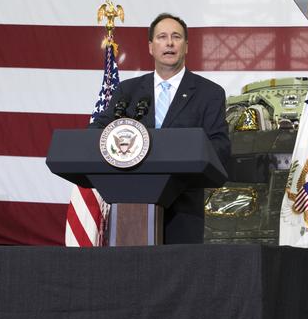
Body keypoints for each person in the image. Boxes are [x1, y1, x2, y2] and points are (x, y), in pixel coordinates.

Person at [91, 13, 231, 244]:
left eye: (176, 37)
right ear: (150, 47)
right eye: (162, 37)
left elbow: (221, 147)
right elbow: (99, 130)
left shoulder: (209, 93)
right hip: (131, 208)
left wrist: (183, 152)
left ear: (186, 46)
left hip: (184, 210)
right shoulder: (128, 91)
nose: (169, 43)